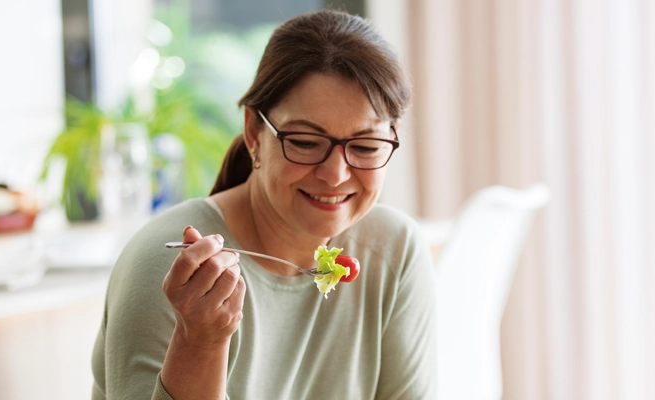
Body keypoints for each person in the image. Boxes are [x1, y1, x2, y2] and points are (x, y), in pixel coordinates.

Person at [91, 9, 436, 400]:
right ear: (254, 132)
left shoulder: (393, 250)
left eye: (366, 146)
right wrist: (200, 342)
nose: (336, 174)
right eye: (306, 142)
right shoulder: (177, 269)